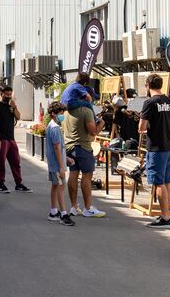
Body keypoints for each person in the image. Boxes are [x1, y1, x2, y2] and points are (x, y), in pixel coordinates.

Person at [139, 73, 170, 228]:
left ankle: (165, 217)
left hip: (156, 148)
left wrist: (149, 126)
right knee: (167, 181)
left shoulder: (149, 103)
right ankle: (166, 212)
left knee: (159, 183)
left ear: (148, 85)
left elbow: (141, 127)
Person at [63, 76, 106, 218]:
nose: (91, 100)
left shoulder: (67, 111)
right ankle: (88, 208)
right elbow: (93, 131)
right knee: (87, 176)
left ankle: (74, 207)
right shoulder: (86, 111)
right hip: (82, 146)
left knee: (73, 175)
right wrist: (101, 124)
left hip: (69, 146)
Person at [0, 86, 31, 194]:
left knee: (16, 162)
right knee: (1, 162)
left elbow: (18, 117)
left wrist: (15, 107)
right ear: (1, 94)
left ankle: (18, 184)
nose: (8, 96)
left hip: (11, 138)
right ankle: (1, 184)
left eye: (10, 94)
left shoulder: (11, 106)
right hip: (1, 138)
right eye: (6, 94)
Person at [45, 101, 75, 226]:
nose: (62, 115)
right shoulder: (55, 128)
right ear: (53, 114)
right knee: (61, 187)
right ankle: (63, 214)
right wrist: (62, 166)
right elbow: (57, 147)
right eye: (60, 113)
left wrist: (66, 158)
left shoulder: (50, 126)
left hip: (54, 163)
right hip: (57, 164)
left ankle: (53, 212)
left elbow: (58, 148)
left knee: (55, 186)